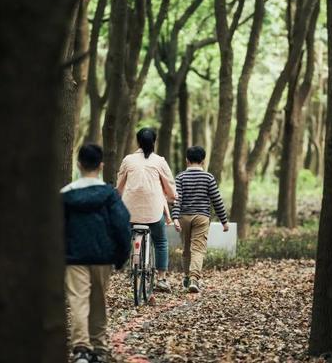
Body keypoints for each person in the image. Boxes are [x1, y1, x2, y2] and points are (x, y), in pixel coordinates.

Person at [62, 144, 132, 363]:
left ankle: (81, 348)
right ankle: (99, 348)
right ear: (101, 166)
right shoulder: (110, 195)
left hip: (73, 257)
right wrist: (121, 256)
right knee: (99, 301)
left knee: (78, 301)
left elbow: (55, 228)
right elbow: (122, 226)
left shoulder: (65, 195)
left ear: (78, 164)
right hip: (102, 257)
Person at [117, 128, 176, 292]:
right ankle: (162, 279)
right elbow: (170, 186)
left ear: (138, 142)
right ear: (154, 142)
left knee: (127, 237)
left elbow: (119, 186)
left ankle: (131, 264)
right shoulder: (160, 161)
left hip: (130, 212)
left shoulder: (128, 160)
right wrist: (172, 196)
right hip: (154, 212)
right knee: (161, 242)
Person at [171, 145, 229, 293]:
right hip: (202, 217)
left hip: (184, 216)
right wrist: (224, 221)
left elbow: (178, 199)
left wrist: (175, 218)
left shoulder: (180, 177)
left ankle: (186, 277)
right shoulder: (208, 177)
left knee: (186, 248)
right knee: (198, 248)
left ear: (186, 160)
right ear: (203, 161)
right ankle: (194, 278)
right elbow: (216, 200)